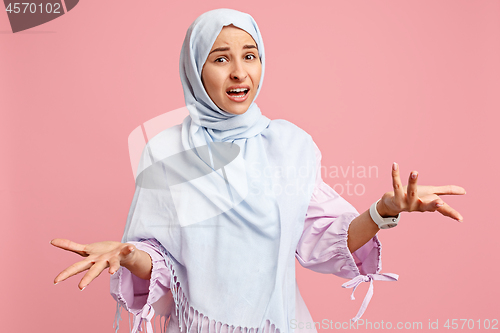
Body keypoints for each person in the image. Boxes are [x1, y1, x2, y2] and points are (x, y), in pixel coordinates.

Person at [51, 8, 465, 333]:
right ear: (196, 69)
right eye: (220, 58)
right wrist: (129, 255)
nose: (239, 72)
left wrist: (383, 209)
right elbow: (163, 267)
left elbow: (321, 237)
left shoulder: (288, 147)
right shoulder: (166, 151)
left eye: (250, 56)